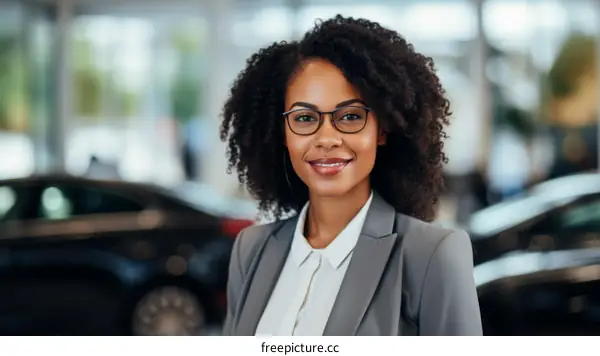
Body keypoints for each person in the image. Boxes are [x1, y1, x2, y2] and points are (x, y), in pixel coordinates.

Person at [220, 15, 482, 336]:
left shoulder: (432, 256)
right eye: (304, 118)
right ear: (283, 133)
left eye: (350, 116)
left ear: (382, 129)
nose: (327, 138)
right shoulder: (251, 250)